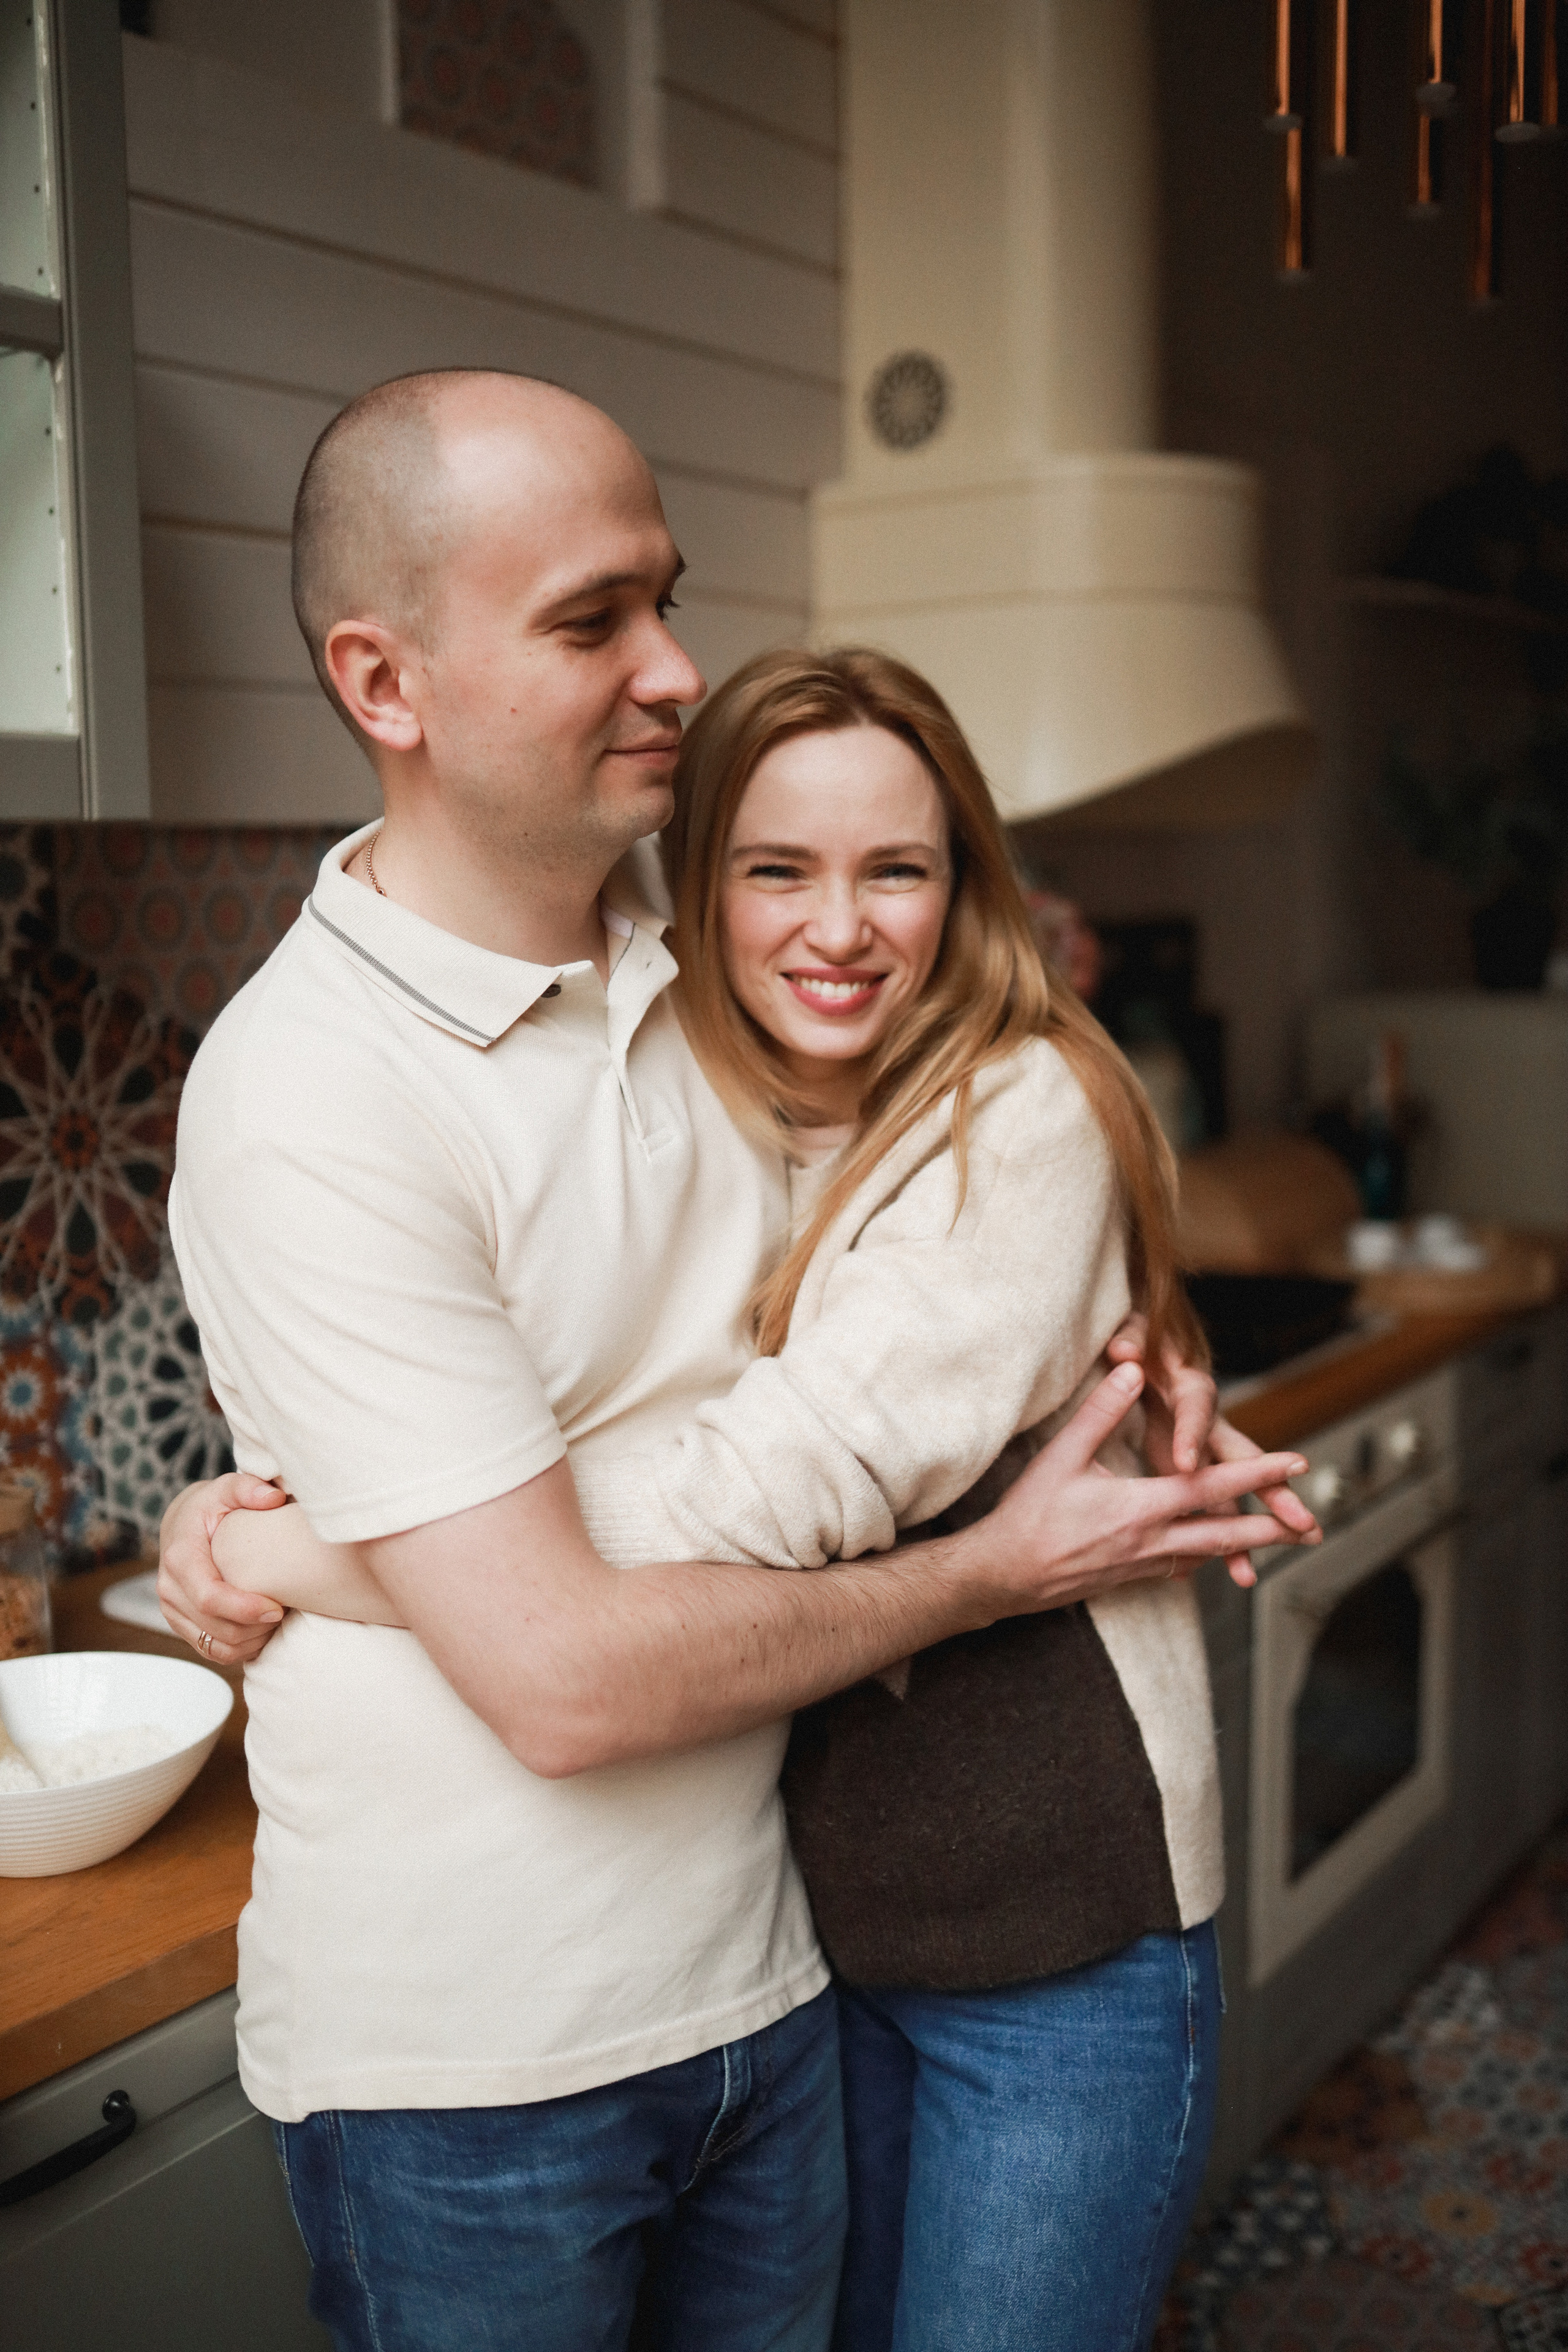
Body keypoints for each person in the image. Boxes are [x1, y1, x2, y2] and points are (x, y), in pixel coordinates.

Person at [162, 443, 1316, 2352]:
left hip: (902, 1951)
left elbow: (793, 1440)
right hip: (589, 2017)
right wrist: (274, 1520)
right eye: (595, 619)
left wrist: (341, 1556)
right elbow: (540, 1560)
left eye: (900, 870)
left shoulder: (846, 1052)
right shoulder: (437, 1066)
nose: (675, 668)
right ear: (389, 686)